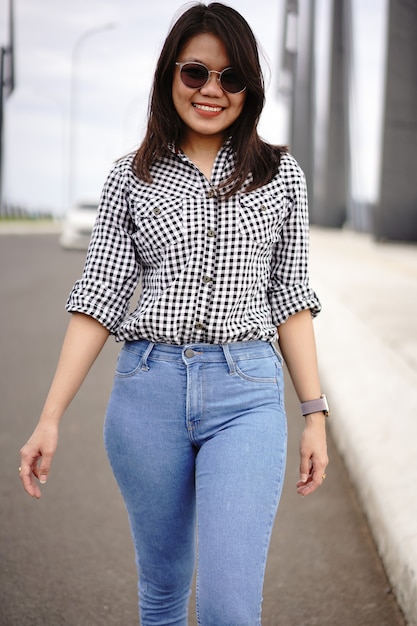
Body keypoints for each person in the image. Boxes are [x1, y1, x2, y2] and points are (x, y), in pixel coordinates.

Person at [19, 3, 329, 624]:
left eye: (231, 77)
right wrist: (49, 418)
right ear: (170, 77)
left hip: (247, 396)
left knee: (227, 606)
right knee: (161, 594)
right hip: (148, 394)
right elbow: (97, 299)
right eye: (196, 73)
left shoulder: (279, 175)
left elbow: (291, 296)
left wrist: (315, 415)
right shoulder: (130, 177)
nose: (212, 91)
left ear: (250, 88)